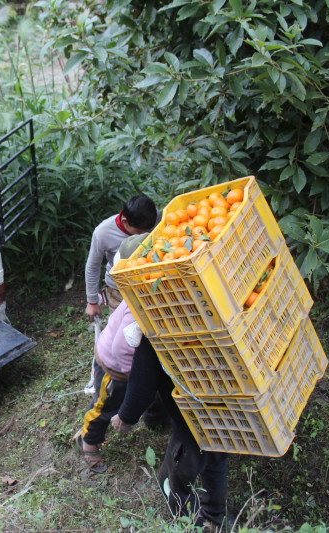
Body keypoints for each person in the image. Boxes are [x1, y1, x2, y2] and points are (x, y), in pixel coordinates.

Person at [111, 339, 228, 530]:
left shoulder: (157, 334)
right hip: (225, 416)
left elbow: (142, 385)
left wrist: (124, 417)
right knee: (215, 461)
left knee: (173, 482)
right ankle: (216, 516)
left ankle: (192, 527)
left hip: (190, 427)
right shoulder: (216, 328)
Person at [75, 296, 142, 473]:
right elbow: (121, 349)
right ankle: (88, 441)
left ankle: (155, 417)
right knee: (104, 407)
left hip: (129, 363)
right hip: (113, 367)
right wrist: (134, 379)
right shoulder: (138, 306)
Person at [84, 194, 158, 321]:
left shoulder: (151, 216)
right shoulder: (103, 233)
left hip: (150, 282)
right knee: (120, 323)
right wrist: (92, 302)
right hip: (119, 289)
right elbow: (93, 266)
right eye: (139, 232)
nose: (144, 235)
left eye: (147, 231)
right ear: (124, 221)